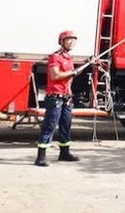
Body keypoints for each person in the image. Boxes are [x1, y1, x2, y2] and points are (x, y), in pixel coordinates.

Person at [35, 30, 83, 166]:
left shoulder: (69, 58)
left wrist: (70, 90)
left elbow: (69, 78)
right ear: (62, 41)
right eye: (69, 40)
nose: (72, 42)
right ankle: (41, 157)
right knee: (50, 126)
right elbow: (55, 75)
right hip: (55, 97)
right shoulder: (55, 57)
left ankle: (64, 153)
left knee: (66, 126)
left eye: (74, 40)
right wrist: (72, 72)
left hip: (66, 97)